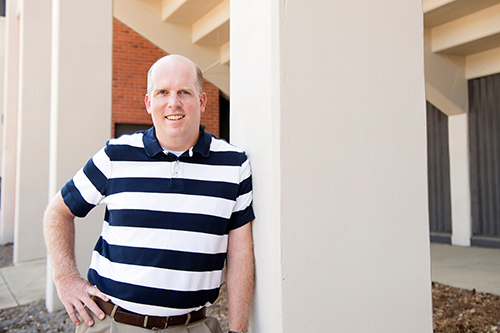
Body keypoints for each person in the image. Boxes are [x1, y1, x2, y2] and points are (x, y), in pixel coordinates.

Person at [43, 54, 255, 333]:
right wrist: (65, 278)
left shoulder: (234, 164)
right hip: (113, 325)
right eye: (162, 92)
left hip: (192, 327)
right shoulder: (115, 156)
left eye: (184, 92)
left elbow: (240, 252)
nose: (173, 102)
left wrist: (238, 330)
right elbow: (58, 211)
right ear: (148, 103)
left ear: (202, 101)